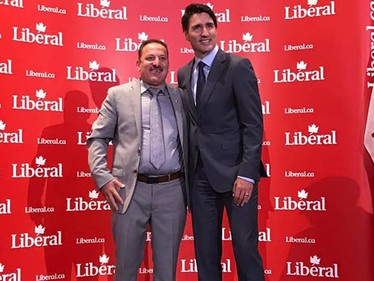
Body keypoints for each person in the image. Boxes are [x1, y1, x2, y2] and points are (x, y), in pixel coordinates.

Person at [177, 4, 267, 281]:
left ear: (216, 29)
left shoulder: (238, 67)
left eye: (209, 26)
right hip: (200, 178)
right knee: (205, 254)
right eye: (197, 28)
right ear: (186, 34)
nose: (204, 33)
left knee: (245, 250)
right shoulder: (183, 73)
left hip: (236, 176)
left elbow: (253, 124)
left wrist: (246, 175)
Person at [87, 39, 188, 281]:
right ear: (138, 64)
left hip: (173, 190)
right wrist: (103, 177)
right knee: (125, 269)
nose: (157, 63)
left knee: (167, 273)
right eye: (150, 58)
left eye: (162, 58)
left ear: (168, 64)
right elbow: (97, 139)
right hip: (129, 190)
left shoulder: (181, 97)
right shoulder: (118, 95)